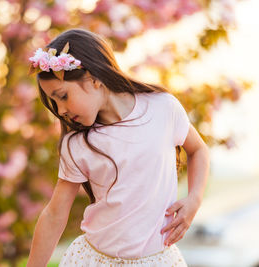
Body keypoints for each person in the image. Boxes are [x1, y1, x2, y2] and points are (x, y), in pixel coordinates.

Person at [26, 28, 210, 267]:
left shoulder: (163, 108)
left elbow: (198, 151)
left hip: (157, 261)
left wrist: (194, 198)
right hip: (95, 260)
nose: (60, 111)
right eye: (54, 101)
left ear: (94, 79)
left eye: (62, 96)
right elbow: (54, 214)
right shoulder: (78, 144)